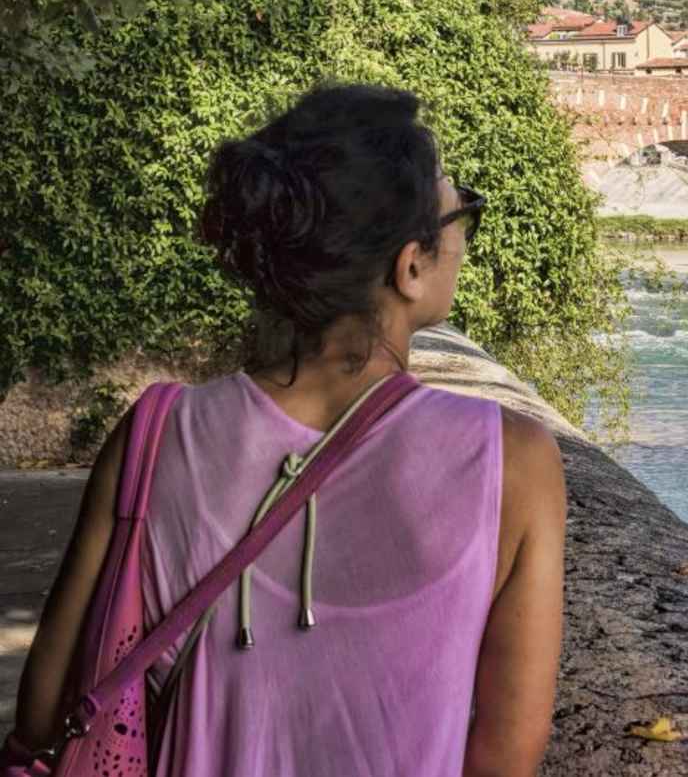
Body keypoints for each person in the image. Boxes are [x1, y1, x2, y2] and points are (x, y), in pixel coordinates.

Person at [10, 84, 566, 776]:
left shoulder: (156, 436)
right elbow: (505, 756)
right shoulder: (511, 461)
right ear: (412, 263)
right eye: (461, 216)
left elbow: (44, 714)